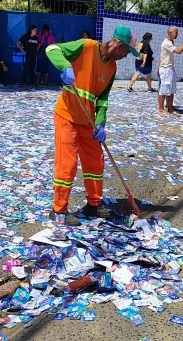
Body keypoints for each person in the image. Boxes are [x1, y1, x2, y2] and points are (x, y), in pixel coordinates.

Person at [46, 26, 138, 226]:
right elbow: (52, 49)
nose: (125, 57)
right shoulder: (86, 46)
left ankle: (93, 205)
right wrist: (65, 66)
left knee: (95, 162)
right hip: (67, 116)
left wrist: (100, 123)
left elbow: (103, 99)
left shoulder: (112, 68)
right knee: (67, 164)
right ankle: (58, 209)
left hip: (88, 122)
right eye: (126, 52)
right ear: (118, 45)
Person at [158, 26, 183, 115]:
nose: (177, 34)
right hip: (166, 69)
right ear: (170, 33)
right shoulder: (166, 43)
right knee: (164, 90)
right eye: (175, 32)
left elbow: (163, 55)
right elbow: (178, 51)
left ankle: (170, 108)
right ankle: (161, 109)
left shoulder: (170, 42)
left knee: (171, 90)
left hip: (169, 68)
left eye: (177, 32)